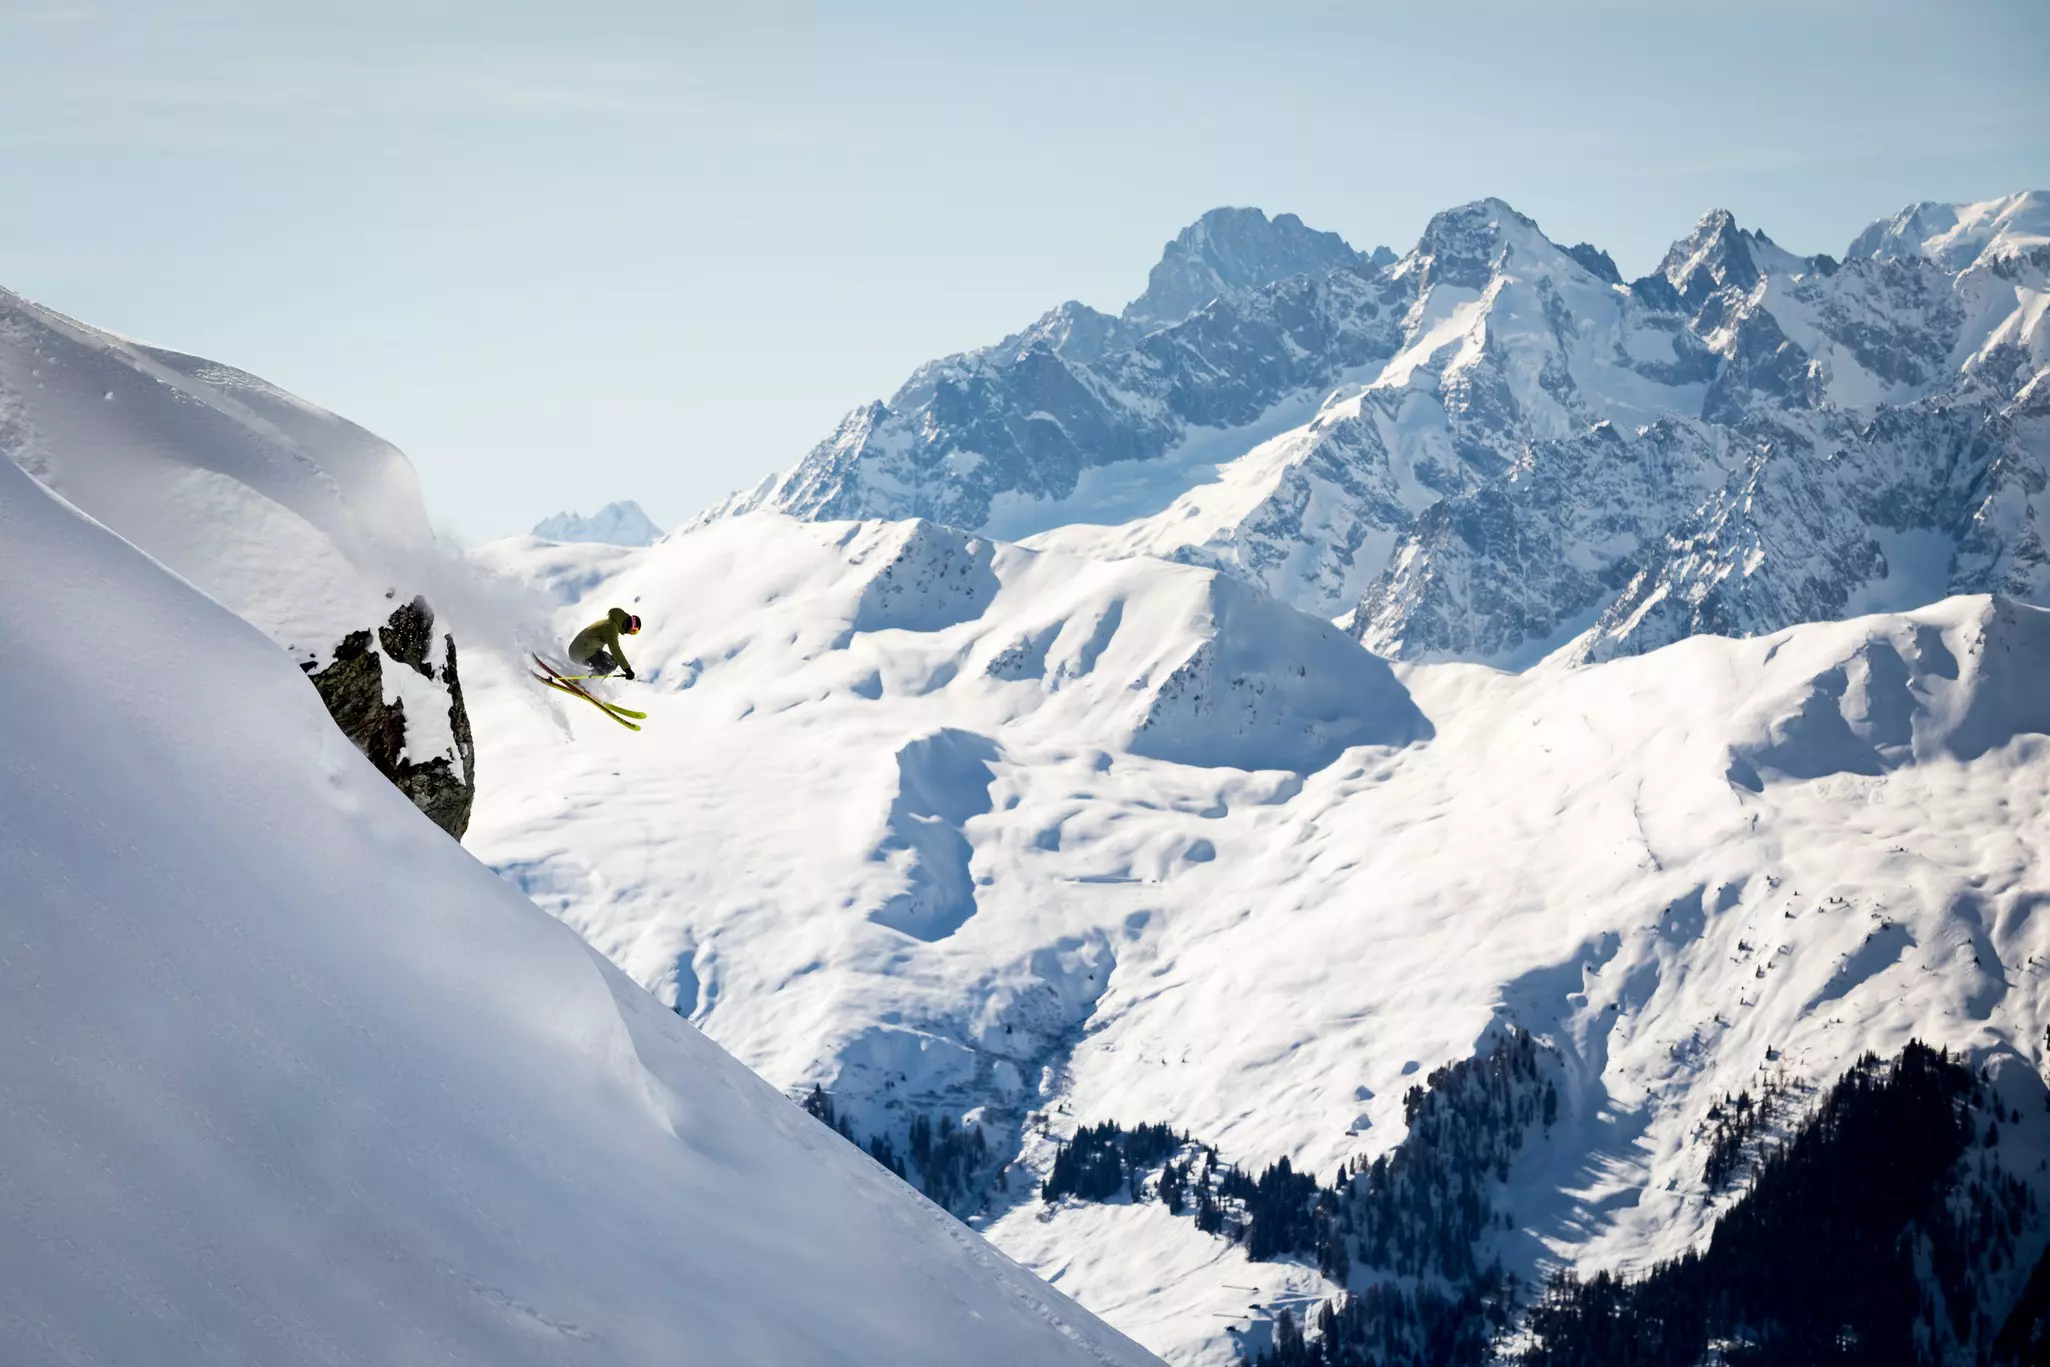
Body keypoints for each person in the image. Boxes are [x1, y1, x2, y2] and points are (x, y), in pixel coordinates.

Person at [568, 607, 641, 680]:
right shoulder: (612, 626)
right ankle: (584, 680)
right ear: (631, 624)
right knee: (611, 665)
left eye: (635, 633)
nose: (630, 633)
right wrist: (628, 670)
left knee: (611, 662)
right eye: (634, 631)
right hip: (584, 651)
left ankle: (582, 677)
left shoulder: (609, 623)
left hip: (577, 652)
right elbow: (615, 649)